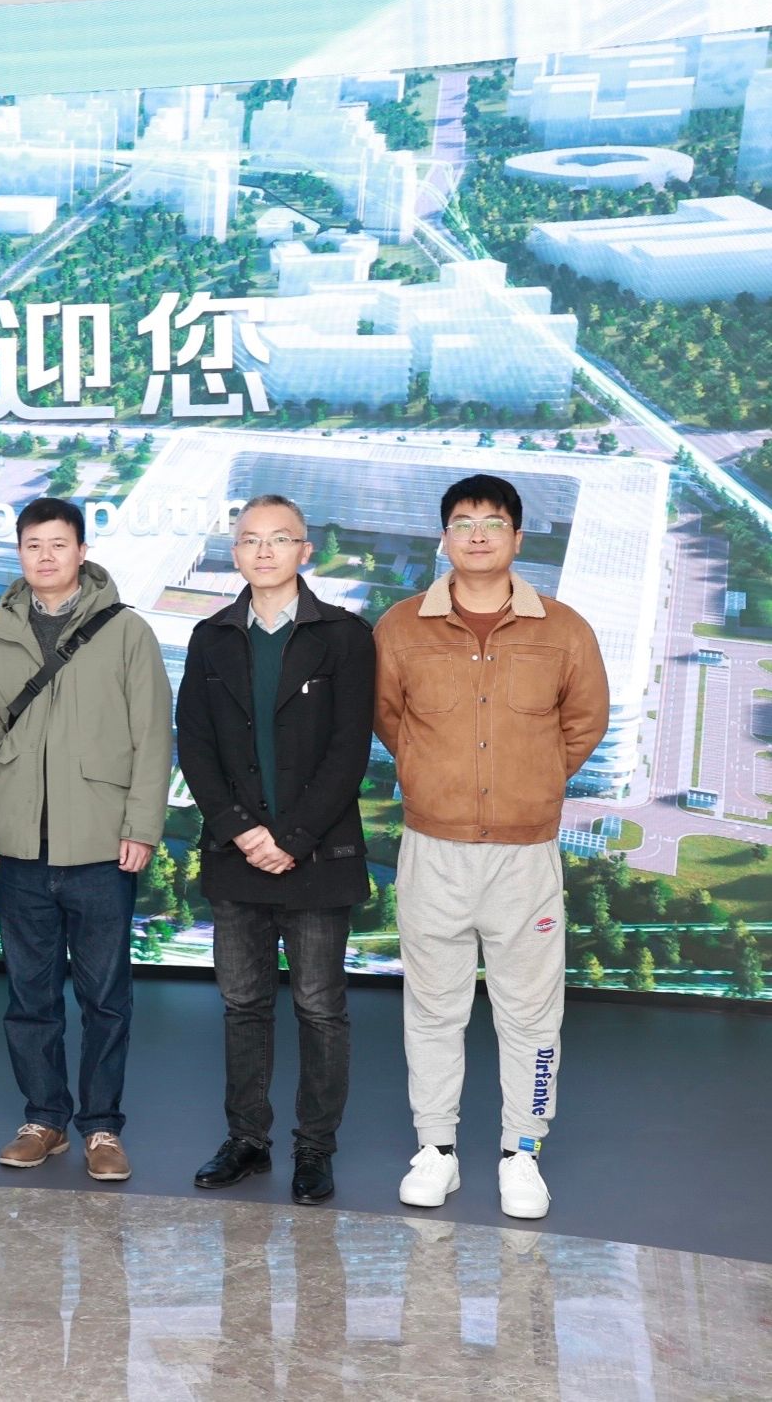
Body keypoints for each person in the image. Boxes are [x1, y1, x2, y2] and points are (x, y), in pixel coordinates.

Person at [375, 474, 607, 1221]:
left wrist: (530, 781)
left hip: (524, 856)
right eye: (463, 522)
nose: (478, 534)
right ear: (444, 537)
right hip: (433, 851)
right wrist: (434, 776)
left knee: (531, 1014)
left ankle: (522, 1153)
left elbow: (585, 722)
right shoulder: (400, 627)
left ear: (517, 537)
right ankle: (435, 1149)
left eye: (494, 522)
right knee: (432, 1008)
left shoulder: (563, 630)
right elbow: (390, 719)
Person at [175, 496, 375, 1206]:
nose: (263, 551)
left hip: (316, 859)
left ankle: (315, 1148)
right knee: (243, 1006)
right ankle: (247, 1140)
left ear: (304, 551)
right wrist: (242, 830)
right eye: (250, 540)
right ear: (235, 552)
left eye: (279, 539)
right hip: (237, 857)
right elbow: (195, 745)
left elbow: (349, 751)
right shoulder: (210, 637)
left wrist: (291, 839)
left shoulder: (345, 636)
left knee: (320, 1009)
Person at [0, 497, 172, 1183]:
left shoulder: (127, 631)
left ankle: (102, 1127)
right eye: (34, 545)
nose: (46, 556)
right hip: (21, 847)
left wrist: (141, 826)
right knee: (30, 997)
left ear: (83, 552)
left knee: (105, 997)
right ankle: (44, 1120)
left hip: (100, 846)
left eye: (59, 544)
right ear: (19, 554)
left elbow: (153, 736)